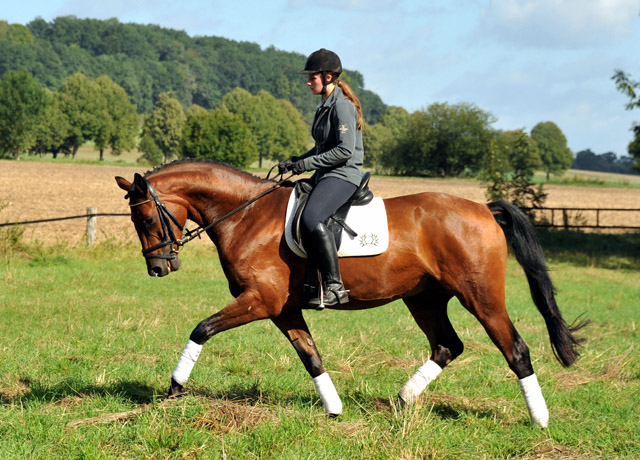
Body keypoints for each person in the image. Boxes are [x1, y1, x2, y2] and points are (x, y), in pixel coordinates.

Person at [279, 48, 364, 309]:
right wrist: (296, 162)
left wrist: (306, 164)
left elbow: (343, 151)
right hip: (325, 173)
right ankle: (308, 283)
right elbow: (321, 148)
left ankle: (335, 287)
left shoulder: (342, 106)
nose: (308, 82)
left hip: (343, 175)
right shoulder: (324, 105)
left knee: (311, 218)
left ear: (328, 77)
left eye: (312, 77)